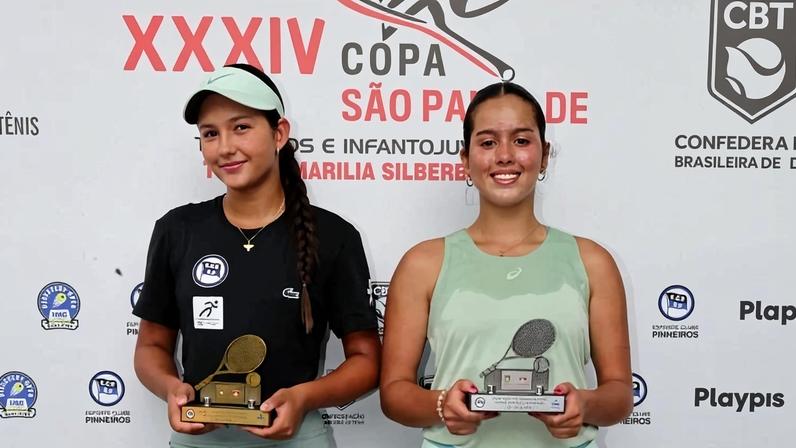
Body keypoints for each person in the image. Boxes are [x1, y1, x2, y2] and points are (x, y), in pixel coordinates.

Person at [133, 63, 380, 448]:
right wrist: (171, 389)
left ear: (279, 133)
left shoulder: (334, 236)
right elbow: (149, 347)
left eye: (241, 127)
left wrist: (303, 398)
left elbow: (366, 359)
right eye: (210, 134)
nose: (226, 146)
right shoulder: (177, 230)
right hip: (200, 438)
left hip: (299, 438)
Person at [380, 81, 632, 447]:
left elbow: (620, 395)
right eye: (487, 142)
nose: (504, 156)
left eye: (521, 140)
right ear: (465, 160)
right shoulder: (422, 263)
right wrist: (441, 405)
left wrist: (585, 404)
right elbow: (394, 394)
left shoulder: (592, 261)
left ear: (544, 155)